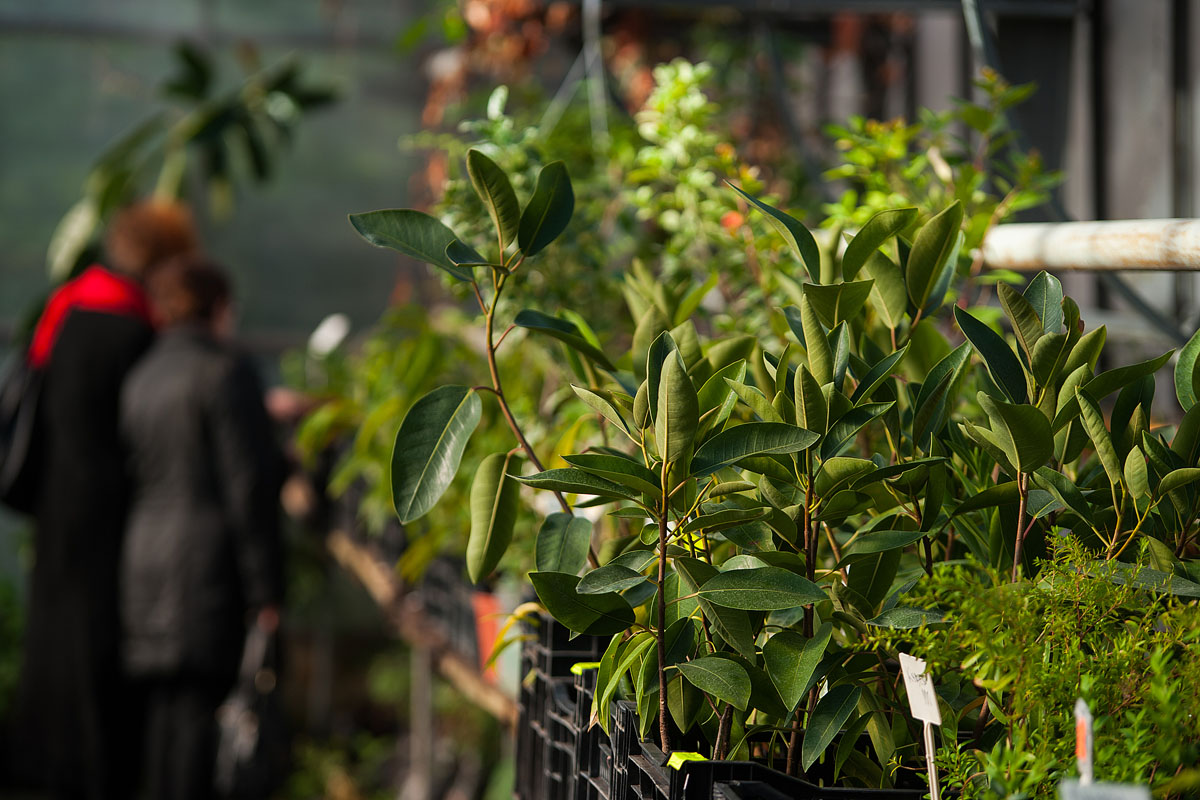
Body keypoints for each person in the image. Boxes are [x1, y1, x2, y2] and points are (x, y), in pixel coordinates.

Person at [6, 200, 197, 799]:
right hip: (111, 512)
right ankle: (94, 773)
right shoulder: (135, 330)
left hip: (58, 505)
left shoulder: (69, 309)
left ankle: (42, 764)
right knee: (99, 644)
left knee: (53, 636)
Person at [119, 254, 284, 800]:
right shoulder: (224, 371)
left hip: (145, 559)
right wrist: (266, 588)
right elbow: (249, 486)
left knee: (162, 720)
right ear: (219, 307)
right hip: (205, 568)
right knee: (201, 724)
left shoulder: (142, 376)